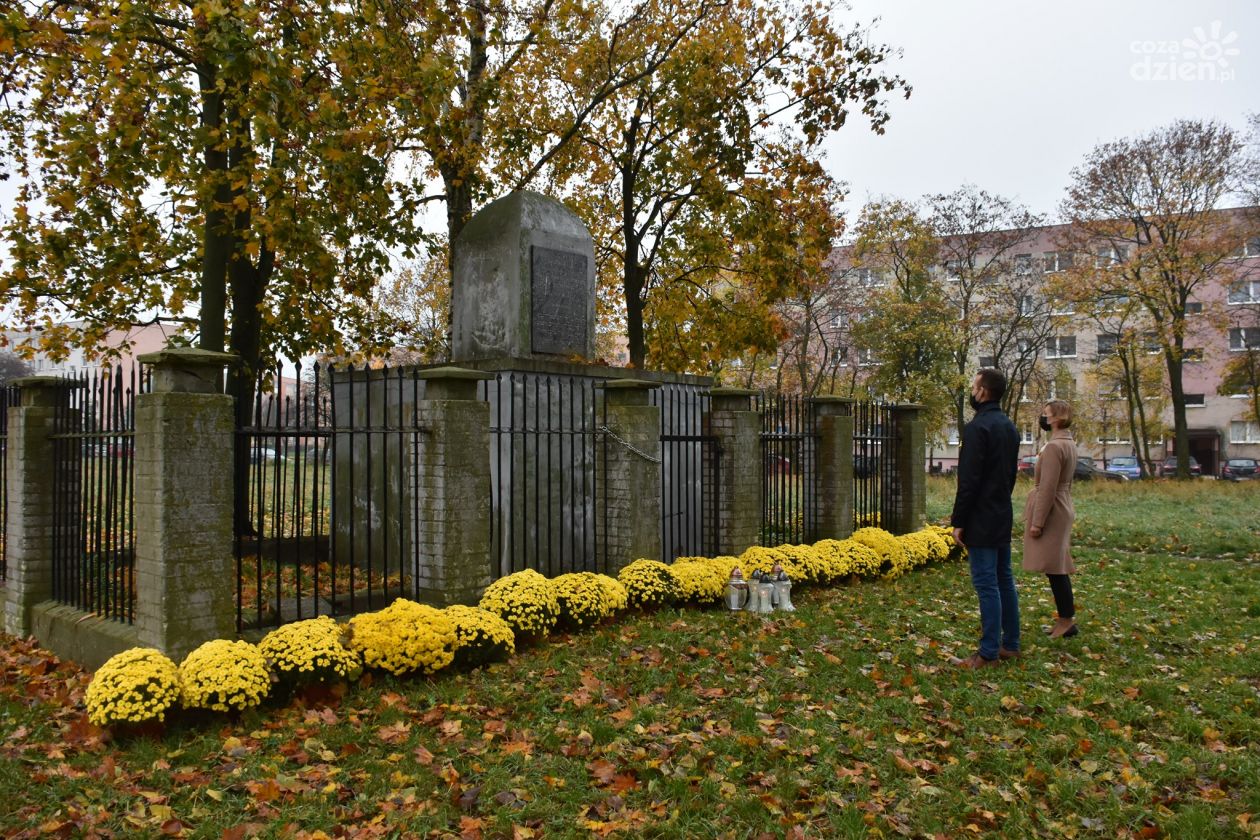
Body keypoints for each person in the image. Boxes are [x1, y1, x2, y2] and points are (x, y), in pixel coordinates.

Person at [950, 369, 1022, 668]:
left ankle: (989, 652)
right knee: (1004, 579)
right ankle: (1010, 644)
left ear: (983, 392)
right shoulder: (1009, 427)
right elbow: (1009, 476)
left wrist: (959, 520)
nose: (971, 390)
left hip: (980, 515)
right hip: (1001, 511)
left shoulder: (978, 428)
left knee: (986, 582)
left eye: (974, 386)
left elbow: (969, 481)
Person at [1023, 400, 1078, 639]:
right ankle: (1065, 619)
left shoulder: (1055, 447)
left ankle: (1066, 620)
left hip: (1053, 508)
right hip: (1061, 504)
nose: (1042, 418)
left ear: (1056, 418)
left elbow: (1047, 487)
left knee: (1056, 568)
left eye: (1045, 414)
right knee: (1056, 568)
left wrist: (1037, 521)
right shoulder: (1067, 442)